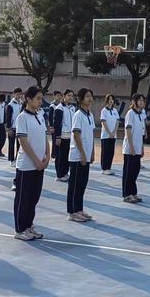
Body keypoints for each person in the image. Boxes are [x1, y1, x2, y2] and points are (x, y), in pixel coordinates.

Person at [14, 86, 50, 241]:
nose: (40, 102)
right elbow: (23, 141)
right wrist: (36, 160)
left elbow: (44, 137)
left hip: (39, 165)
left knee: (34, 198)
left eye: (41, 99)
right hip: (27, 165)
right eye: (38, 99)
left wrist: (47, 157)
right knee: (23, 198)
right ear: (28, 99)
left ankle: (29, 225)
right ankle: (20, 229)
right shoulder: (22, 117)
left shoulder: (40, 115)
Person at [67, 88, 95, 222]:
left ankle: (79, 209)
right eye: (87, 96)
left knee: (82, 183)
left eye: (91, 96)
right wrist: (83, 154)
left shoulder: (90, 115)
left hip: (86, 155)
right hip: (78, 156)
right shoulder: (78, 115)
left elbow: (91, 136)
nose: (90, 99)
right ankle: (72, 212)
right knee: (75, 184)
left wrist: (92, 152)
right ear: (81, 99)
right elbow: (77, 135)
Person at [122, 93, 146, 203]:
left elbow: (141, 133)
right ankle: (127, 194)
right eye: (139, 100)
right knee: (129, 171)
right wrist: (131, 146)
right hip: (130, 148)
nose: (141, 102)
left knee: (135, 170)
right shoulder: (130, 113)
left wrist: (141, 148)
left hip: (137, 147)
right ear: (134, 102)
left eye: (142, 100)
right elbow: (128, 131)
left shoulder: (141, 114)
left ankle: (133, 192)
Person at [53, 89, 75, 182]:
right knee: (60, 156)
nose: (70, 97)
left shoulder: (72, 108)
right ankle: (59, 175)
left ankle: (65, 173)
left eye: (72, 96)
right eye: (68, 95)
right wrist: (58, 137)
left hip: (71, 136)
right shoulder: (59, 108)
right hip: (62, 136)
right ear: (64, 96)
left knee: (67, 156)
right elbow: (57, 124)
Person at [100, 94, 119, 175]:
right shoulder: (104, 111)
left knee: (111, 152)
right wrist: (109, 132)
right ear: (107, 100)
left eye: (112, 99)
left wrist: (114, 132)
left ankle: (109, 167)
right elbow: (103, 122)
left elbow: (117, 122)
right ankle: (104, 168)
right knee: (105, 152)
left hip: (113, 135)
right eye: (109, 99)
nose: (111, 101)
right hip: (105, 135)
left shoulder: (115, 110)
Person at [6, 87, 23, 167]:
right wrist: (9, 128)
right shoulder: (10, 105)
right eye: (17, 94)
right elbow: (8, 117)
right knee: (11, 144)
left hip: (20, 128)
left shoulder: (22, 103)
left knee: (20, 145)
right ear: (13, 94)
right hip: (12, 128)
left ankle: (17, 158)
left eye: (20, 94)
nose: (19, 95)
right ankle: (11, 160)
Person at [48, 90, 62, 160]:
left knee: (59, 141)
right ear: (54, 96)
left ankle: (58, 154)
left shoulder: (61, 105)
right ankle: (53, 155)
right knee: (54, 141)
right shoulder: (52, 106)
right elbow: (50, 117)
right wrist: (51, 127)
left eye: (60, 96)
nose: (59, 97)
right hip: (54, 126)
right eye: (57, 96)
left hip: (60, 126)